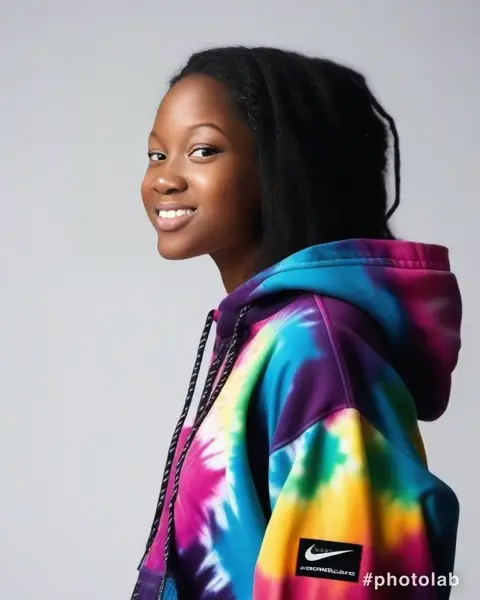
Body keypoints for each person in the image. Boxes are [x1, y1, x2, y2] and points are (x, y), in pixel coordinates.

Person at [130, 46, 462, 600]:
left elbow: (346, 574)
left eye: (203, 150)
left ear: (283, 166)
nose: (164, 178)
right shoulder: (257, 333)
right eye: (156, 154)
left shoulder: (317, 343)